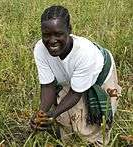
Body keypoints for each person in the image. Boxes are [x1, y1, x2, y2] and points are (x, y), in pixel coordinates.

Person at [30, 5, 121, 146]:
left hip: (100, 75)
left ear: (69, 30)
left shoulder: (85, 54)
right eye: (46, 35)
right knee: (66, 120)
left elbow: (75, 94)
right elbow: (48, 86)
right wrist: (41, 114)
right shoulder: (40, 50)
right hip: (70, 77)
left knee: (91, 129)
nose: (52, 40)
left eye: (58, 34)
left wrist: (52, 115)